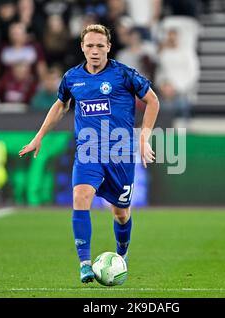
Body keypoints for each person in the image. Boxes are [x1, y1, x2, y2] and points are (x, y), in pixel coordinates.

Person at [18, 24, 159, 283]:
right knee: (80, 196)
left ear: (108, 47)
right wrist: (39, 136)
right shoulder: (72, 78)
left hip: (119, 154)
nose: (95, 51)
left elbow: (153, 100)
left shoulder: (124, 74)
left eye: (100, 46)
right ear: (82, 47)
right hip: (88, 152)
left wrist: (144, 138)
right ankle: (84, 263)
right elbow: (60, 106)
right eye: (90, 46)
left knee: (120, 213)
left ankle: (121, 255)